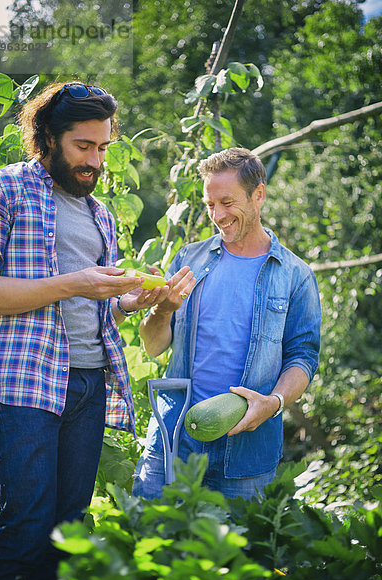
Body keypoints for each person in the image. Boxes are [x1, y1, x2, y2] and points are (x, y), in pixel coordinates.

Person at [0, 80, 193, 580]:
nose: (94, 161)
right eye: (83, 146)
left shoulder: (97, 212)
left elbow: (94, 305)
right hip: (25, 383)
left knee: (66, 536)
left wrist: (130, 300)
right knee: (24, 532)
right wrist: (75, 283)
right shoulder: (0, 189)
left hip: (88, 382)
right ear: (47, 137)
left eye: (102, 148)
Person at [133, 147, 321, 501]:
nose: (217, 215)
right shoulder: (189, 259)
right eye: (209, 205)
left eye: (227, 202)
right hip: (175, 440)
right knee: (148, 546)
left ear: (258, 195)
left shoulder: (295, 275)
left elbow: (303, 357)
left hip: (247, 450)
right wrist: (162, 310)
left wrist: (274, 402)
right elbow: (153, 345)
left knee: (240, 555)